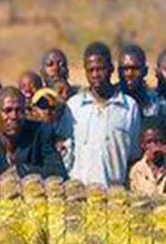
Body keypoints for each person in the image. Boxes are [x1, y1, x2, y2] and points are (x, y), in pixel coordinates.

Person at [56, 42, 141, 187]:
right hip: (79, 194)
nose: (95, 75)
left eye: (100, 69)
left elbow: (133, 154)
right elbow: (65, 150)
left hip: (114, 196)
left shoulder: (128, 107)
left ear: (111, 69)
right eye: (91, 70)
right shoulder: (74, 106)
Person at [0, 87, 65, 179]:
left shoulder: (41, 132)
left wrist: (21, 171)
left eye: (19, 110)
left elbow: (58, 173)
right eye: (8, 111)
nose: (14, 116)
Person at [119, 43, 166, 133]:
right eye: (125, 69)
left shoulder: (157, 103)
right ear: (118, 71)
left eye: (135, 69)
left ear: (145, 71)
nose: (129, 74)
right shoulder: (111, 100)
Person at [128, 125, 166, 196]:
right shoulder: (137, 170)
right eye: (149, 142)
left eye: (157, 141)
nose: (153, 145)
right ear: (142, 146)